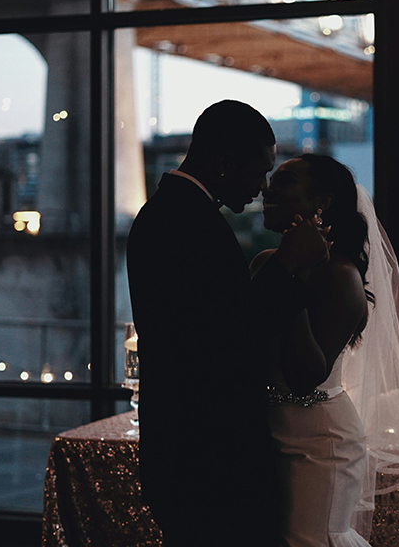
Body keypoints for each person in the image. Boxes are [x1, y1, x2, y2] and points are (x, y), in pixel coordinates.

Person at [126, 101, 330, 547]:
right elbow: (226, 339)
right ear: (222, 164)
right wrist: (288, 266)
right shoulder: (186, 222)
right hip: (208, 462)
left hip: (191, 456)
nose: (261, 189)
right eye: (258, 173)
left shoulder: (173, 214)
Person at [253, 154, 399, 546]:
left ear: (323, 202)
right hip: (266, 429)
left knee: (309, 538)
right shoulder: (266, 263)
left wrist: (293, 278)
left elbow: (306, 374)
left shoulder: (340, 276)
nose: (268, 191)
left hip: (319, 441)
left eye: (286, 182)